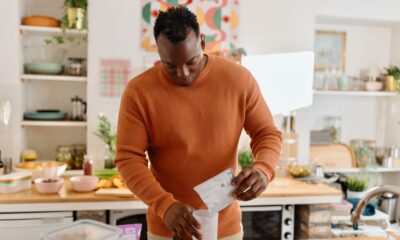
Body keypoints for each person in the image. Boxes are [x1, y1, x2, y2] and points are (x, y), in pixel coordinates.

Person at [115, 7, 282, 240]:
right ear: (158, 50)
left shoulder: (239, 80)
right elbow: (128, 159)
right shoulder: (138, 92)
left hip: (226, 229)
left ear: (202, 42)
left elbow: (267, 133)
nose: (182, 74)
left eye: (191, 61)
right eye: (170, 65)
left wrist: (264, 169)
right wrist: (165, 206)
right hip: (168, 228)